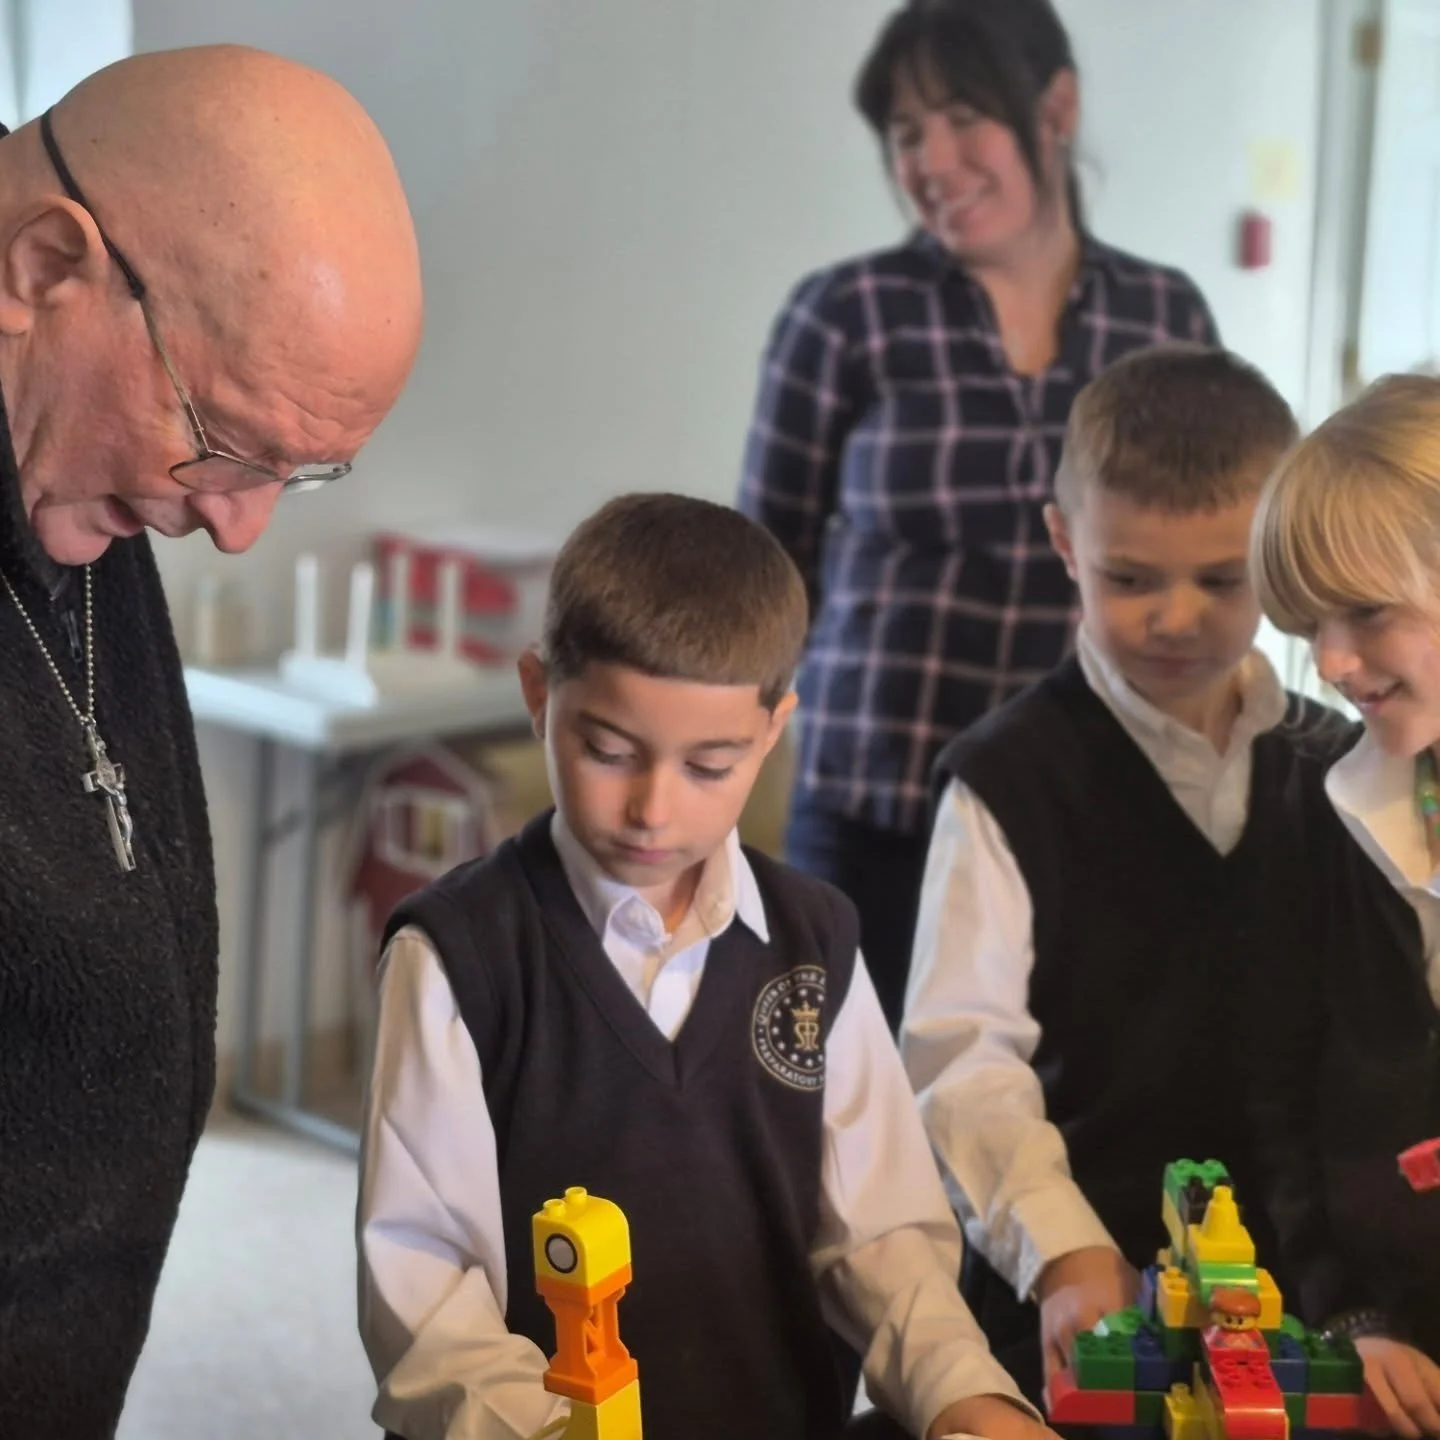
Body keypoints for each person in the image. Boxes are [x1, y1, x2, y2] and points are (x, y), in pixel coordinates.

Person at [357, 493, 1059, 1440]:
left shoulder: (816, 941)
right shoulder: (457, 957)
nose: (652, 808)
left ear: (773, 732)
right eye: (608, 751)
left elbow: (880, 1235)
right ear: (538, 693)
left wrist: (961, 1393)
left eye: (710, 766)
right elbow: (427, 1285)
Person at [0, 44, 422, 1439]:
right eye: (225, 443)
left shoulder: (56, 452)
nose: (239, 523)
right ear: (49, 265)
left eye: (297, 475)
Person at [737, 0, 1219, 1030]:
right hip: (876, 813)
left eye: (963, 118)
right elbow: (764, 572)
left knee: (1069, 1118)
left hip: (1095, 806)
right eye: (907, 135)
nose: (933, 161)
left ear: (1056, 107)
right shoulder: (846, 314)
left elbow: (1220, 538)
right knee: (846, 1121)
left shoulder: (1163, 316)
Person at [900, 345, 1353, 1409]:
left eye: (1222, 578)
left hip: (1309, 1305)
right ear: (1066, 542)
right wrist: (1060, 1250)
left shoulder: (1339, 765)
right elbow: (962, 1054)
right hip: (1080, 1299)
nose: (1177, 618)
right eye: (1131, 577)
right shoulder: (1003, 781)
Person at [1248, 372, 1440, 1436]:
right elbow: (1285, 1095)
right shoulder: (1324, 819)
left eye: (1366, 612)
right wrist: (1353, 1315)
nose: (1327, 661)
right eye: (1309, 624)